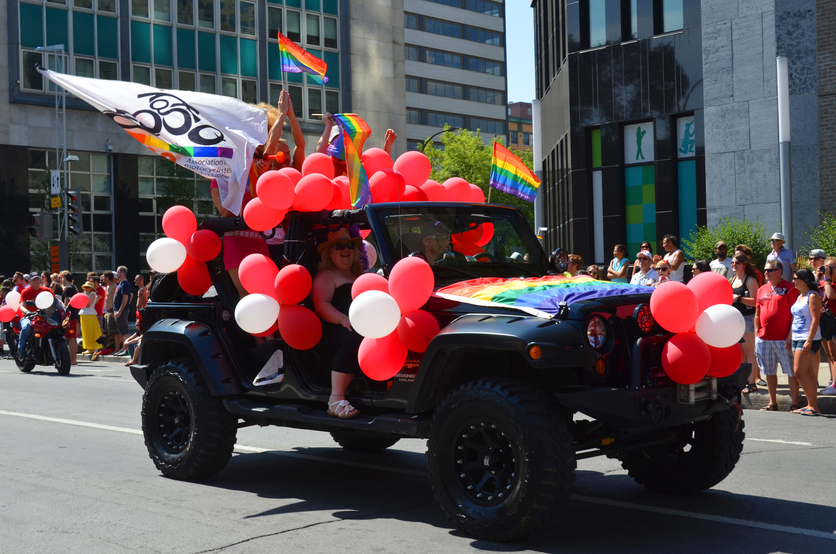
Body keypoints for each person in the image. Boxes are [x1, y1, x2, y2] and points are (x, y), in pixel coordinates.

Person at [311, 228, 365, 419]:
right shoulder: (326, 276)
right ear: (330, 253)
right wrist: (343, 319)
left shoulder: (361, 276)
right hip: (335, 330)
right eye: (339, 246)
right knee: (354, 337)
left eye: (349, 245)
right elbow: (321, 305)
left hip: (361, 326)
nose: (346, 249)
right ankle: (335, 399)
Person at [755, 260, 801, 412]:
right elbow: (757, 313)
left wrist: (790, 336)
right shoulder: (761, 289)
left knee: (791, 372)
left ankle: (794, 402)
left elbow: (796, 315)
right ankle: (772, 402)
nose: (766, 272)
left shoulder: (790, 288)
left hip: (783, 339)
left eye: (769, 270)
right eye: (765, 270)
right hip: (764, 338)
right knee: (769, 372)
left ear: (779, 272)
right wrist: (757, 333)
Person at [788, 269, 822, 415]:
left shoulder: (812, 296)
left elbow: (815, 320)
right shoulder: (800, 296)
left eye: (796, 278)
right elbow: (795, 319)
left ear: (804, 280)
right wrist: (789, 338)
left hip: (808, 338)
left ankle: (814, 406)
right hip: (796, 337)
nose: (793, 281)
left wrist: (809, 340)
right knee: (807, 373)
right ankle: (810, 405)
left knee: (799, 371)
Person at [730, 254, 760, 394]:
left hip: (747, 319)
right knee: (740, 353)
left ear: (744, 264)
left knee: (749, 352)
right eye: (733, 262)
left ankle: (752, 382)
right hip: (735, 319)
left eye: (737, 262)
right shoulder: (733, 279)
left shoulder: (751, 280)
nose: (734, 264)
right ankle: (743, 381)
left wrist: (740, 299)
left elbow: (756, 301)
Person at [17, 273, 56, 359]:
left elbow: (56, 301)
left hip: (44, 316)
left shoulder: (46, 290)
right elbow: (22, 306)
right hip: (29, 316)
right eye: (34, 280)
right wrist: (27, 312)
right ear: (30, 281)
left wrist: (63, 306)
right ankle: (21, 349)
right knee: (27, 327)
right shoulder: (25, 292)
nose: (36, 281)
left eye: (38, 279)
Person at [820, 257, 836, 395]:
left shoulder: (830, 282)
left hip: (834, 321)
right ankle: (833, 382)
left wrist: (827, 279)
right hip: (826, 321)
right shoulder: (824, 282)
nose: (828, 270)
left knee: (835, 355)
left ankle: (835, 385)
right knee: (830, 355)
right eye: (826, 267)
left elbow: (830, 295)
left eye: (831, 267)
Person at [60, 271, 79, 366]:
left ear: (65, 278)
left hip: (69, 316)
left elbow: (65, 304)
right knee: (73, 337)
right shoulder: (74, 288)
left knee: (71, 337)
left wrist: (58, 300)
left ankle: (72, 359)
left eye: (62, 278)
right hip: (74, 315)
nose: (61, 280)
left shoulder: (68, 289)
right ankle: (73, 358)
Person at [79, 281, 103, 355]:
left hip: (90, 314)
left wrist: (81, 301)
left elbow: (88, 305)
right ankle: (89, 348)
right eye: (85, 287)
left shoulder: (92, 294)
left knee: (90, 330)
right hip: (84, 313)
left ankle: (92, 347)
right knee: (85, 331)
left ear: (91, 288)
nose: (86, 288)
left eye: (88, 287)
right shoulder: (86, 294)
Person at [112, 266, 132, 356]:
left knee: (125, 331)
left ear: (122, 273)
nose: (116, 273)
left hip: (121, 311)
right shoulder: (120, 284)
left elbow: (125, 298)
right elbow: (129, 296)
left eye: (118, 272)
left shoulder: (125, 284)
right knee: (121, 330)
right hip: (118, 310)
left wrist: (120, 311)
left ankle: (127, 349)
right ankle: (124, 348)